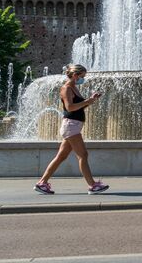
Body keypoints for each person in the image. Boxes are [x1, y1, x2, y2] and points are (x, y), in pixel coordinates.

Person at [33, 64, 109, 195]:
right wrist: (87, 101)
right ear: (75, 75)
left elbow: (78, 107)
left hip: (73, 125)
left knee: (61, 157)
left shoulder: (74, 87)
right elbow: (70, 108)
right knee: (83, 155)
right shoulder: (66, 88)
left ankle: (42, 183)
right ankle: (93, 185)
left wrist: (90, 101)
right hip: (71, 126)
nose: (83, 79)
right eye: (82, 77)